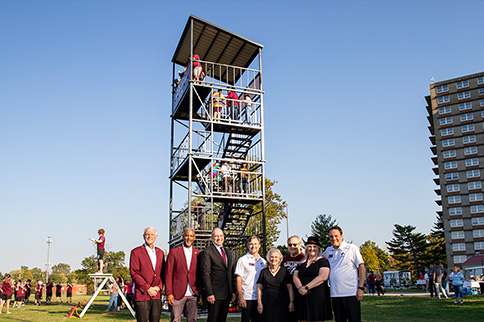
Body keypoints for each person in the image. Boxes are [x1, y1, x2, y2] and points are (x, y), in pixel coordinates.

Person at [323, 226, 365, 322]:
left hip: (351, 294)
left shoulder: (351, 248)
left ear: (342, 236)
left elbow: (361, 268)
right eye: (331, 236)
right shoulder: (328, 251)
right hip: (335, 294)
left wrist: (361, 288)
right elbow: (316, 258)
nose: (334, 239)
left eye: (336, 236)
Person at [165, 228, 201, 322]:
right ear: (183, 237)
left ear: (194, 238)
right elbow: (168, 273)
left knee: (192, 319)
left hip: (193, 293)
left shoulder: (198, 254)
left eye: (191, 236)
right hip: (177, 293)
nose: (189, 238)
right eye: (187, 236)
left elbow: (200, 274)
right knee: (175, 319)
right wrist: (169, 293)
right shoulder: (174, 252)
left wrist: (200, 292)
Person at [130, 227, 165, 322]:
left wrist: (158, 287)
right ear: (143, 236)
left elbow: (163, 273)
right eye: (147, 234)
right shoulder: (136, 252)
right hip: (142, 295)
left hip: (156, 295)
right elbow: (134, 273)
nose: (149, 236)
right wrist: (147, 288)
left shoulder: (160, 253)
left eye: (152, 234)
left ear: (156, 237)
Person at [293, 236, 332, 322]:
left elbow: (323, 277)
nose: (312, 249)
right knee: (304, 319)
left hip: (317, 296)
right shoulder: (301, 263)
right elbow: (295, 276)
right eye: (309, 247)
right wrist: (300, 288)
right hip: (303, 295)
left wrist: (306, 287)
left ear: (318, 249)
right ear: (306, 249)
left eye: (314, 247)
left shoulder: (322, 261)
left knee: (317, 319)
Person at [201, 227, 235, 322]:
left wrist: (232, 291)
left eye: (220, 236)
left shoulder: (228, 251)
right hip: (214, 294)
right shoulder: (208, 252)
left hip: (226, 293)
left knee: (222, 319)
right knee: (213, 319)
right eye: (216, 236)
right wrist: (209, 292)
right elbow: (206, 274)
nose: (219, 238)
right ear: (212, 238)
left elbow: (230, 272)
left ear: (223, 237)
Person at [257, 248, 294, 322]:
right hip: (267, 303)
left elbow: (290, 287)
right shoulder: (264, 272)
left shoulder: (284, 271)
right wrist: (259, 303)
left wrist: (291, 302)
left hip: (282, 302)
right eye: (272, 257)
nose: (274, 259)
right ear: (268, 258)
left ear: (280, 258)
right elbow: (259, 288)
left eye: (276, 257)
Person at [235, 236, 267, 322]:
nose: (253, 246)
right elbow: (238, 279)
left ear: (259, 245)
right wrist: (241, 297)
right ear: (248, 245)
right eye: (251, 244)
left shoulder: (263, 262)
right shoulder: (242, 260)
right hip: (247, 297)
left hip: (260, 298)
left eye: (255, 244)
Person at [282, 235, 305, 322]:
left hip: (301, 291)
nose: (292, 247)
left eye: (295, 245)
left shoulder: (304, 258)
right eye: (290, 244)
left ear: (300, 245)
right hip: (287, 292)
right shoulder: (284, 259)